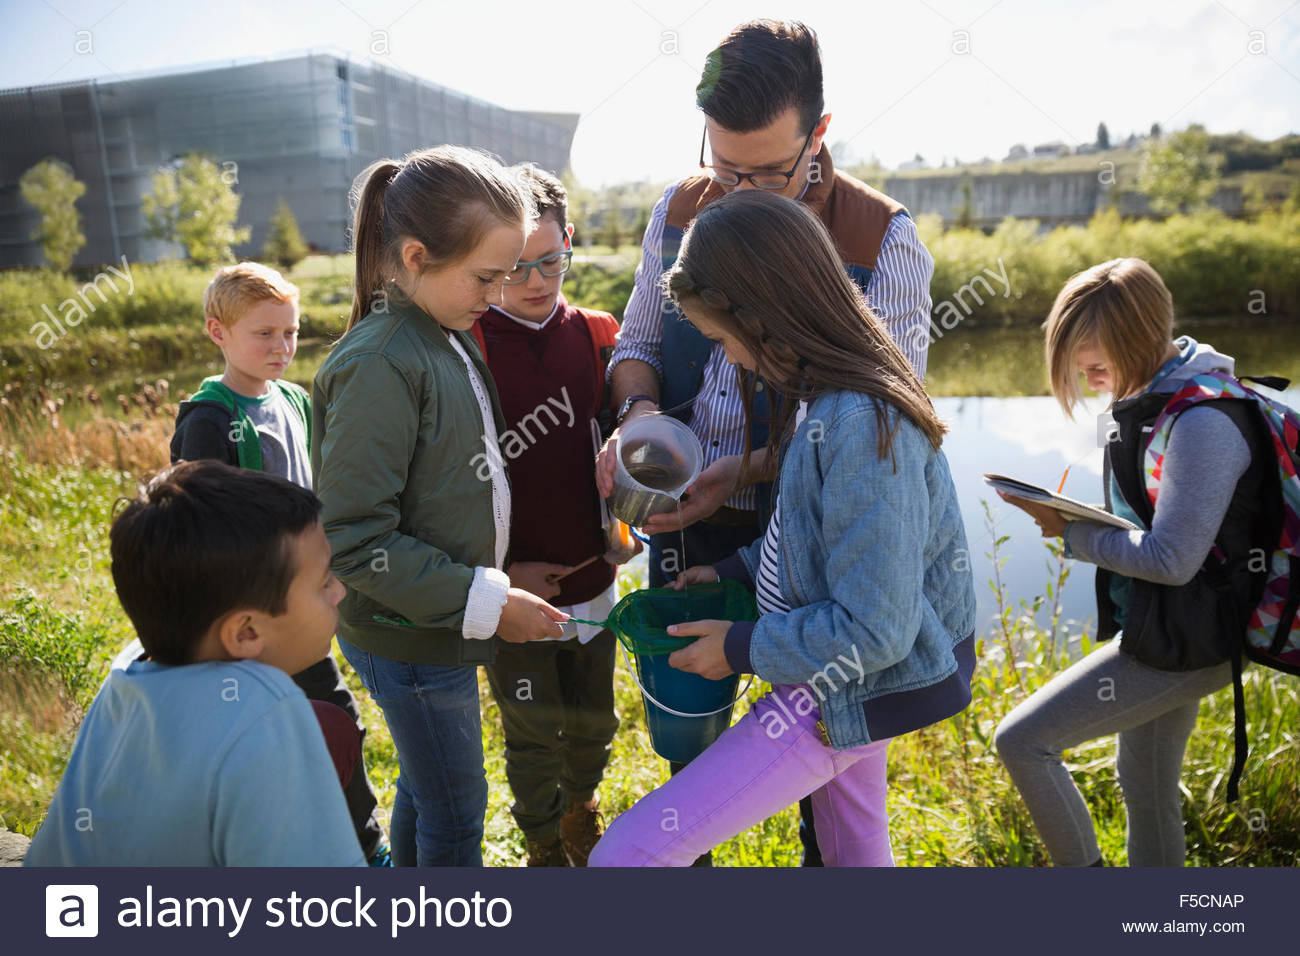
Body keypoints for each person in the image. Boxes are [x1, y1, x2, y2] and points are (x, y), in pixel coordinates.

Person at [593, 19, 938, 863]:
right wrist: (640, 418)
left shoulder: (880, 240)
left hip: (820, 531)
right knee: (691, 736)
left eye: (766, 172)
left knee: (828, 746)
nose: (738, 191)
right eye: (724, 167)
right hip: (694, 523)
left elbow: (881, 424)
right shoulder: (676, 210)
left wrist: (745, 468)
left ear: (819, 136)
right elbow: (637, 343)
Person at [312, 145, 569, 868]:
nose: (499, 293)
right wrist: (488, 598)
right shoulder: (383, 362)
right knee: (458, 815)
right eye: (487, 276)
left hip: (432, 620)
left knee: (429, 797)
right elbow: (356, 539)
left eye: (513, 273)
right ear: (418, 256)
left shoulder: (442, 332)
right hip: (410, 635)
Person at [993, 257, 1274, 866]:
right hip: (1171, 630)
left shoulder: (1202, 422)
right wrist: (1079, 513)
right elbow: (1161, 518)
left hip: (1193, 641)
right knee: (1144, 785)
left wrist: (1070, 536)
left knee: (1023, 742)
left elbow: (1173, 560)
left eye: (1096, 366)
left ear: (1143, 340)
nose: (1089, 379)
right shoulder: (1154, 401)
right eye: (1079, 367)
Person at [24, 460, 365, 866]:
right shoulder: (267, 714)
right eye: (324, 581)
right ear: (246, 633)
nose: (339, 591)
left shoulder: (129, 671)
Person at [169, 260, 389, 865]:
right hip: (249, 615)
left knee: (337, 722)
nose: (281, 346)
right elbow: (197, 529)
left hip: (304, 605)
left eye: (289, 332)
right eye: (263, 333)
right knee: (257, 741)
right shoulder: (209, 420)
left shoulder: (295, 399)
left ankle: (366, 850)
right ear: (218, 332)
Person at [470, 165, 637, 866]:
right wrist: (502, 573)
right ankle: (541, 842)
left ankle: (581, 810)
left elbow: (617, 444)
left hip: (594, 577)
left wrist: (624, 520)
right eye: (515, 268)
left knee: (595, 719)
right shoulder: (467, 343)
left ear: (570, 241)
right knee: (532, 729)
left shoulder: (601, 334)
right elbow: (450, 481)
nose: (537, 281)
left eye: (552, 261)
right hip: (513, 591)